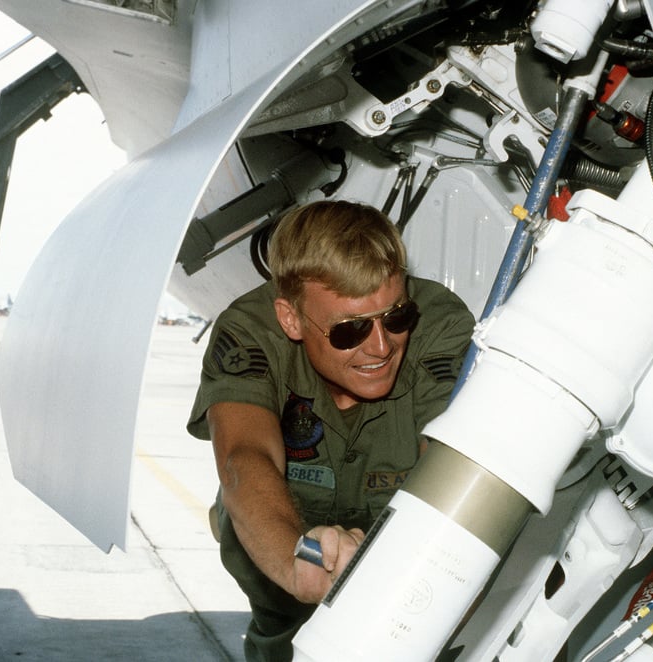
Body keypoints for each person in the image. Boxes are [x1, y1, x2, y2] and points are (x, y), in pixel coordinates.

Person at [187, 199, 475, 661]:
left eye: (396, 317)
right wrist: (292, 564)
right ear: (291, 319)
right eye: (349, 331)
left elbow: (453, 462)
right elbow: (244, 459)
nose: (381, 347)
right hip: (280, 559)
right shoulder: (250, 332)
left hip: (396, 545)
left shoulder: (440, 325)